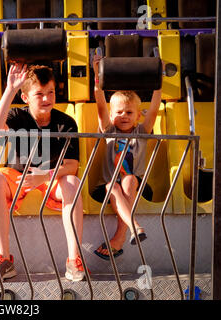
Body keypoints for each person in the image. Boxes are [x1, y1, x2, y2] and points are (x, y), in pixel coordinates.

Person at [0, 63, 85, 282]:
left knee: (72, 183)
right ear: (26, 97)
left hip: (51, 179)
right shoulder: (17, 115)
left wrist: (45, 175)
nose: (47, 98)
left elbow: (71, 165)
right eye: (39, 94)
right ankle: (4, 259)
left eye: (51, 93)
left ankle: (73, 259)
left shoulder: (66, 123)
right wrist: (10, 90)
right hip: (19, 178)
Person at [92, 53, 162, 260]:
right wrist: (97, 74)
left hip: (135, 185)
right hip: (108, 186)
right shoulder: (108, 130)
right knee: (112, 186)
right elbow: (100, 102)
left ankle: (121, 235)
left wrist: (159, 76)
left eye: (129, 113)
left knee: (130, 179)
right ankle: (134, 226)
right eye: (119, 112)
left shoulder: (142, 130)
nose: (124, 116)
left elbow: (155, 106)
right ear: (112, 116)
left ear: (138, 115)